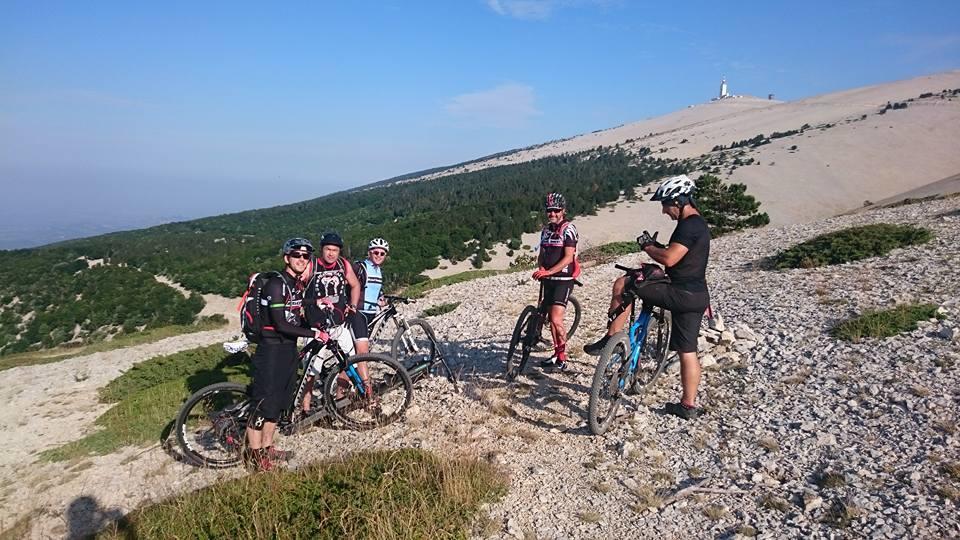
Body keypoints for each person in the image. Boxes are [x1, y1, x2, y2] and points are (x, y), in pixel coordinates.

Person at [583, 174, 711, 420]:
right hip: (697, 296)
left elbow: (670, 258)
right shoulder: (699, 224)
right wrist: (657, 246)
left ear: (678, 200)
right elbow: (682, 256)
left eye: (665, 204)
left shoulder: (688, 225)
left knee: (623, 283)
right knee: (688, 351)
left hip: (676, 292)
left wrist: (647, 246)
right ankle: (687, 406)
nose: (664, 211)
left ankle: (610, 340)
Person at [246, 238, 325, 471]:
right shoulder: (275, 284)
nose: (302, 259)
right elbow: (281, 323)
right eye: (296, 255)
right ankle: (255, 454)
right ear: (286, 258)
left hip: (288, 349)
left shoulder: (293, 285)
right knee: (263, 404)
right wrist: (313, 333)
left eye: (305, 256)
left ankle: (268, 447)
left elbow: (295, 303)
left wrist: (315, 301)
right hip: (271, 350)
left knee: (279, 403)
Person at [301, 231, 364, 412]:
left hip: (338, 325)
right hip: (316, 327)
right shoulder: (311, 266)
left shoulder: (343, 265)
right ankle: (305, 408)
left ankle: (340, 398)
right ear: (322, 250)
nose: (331, 253)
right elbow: (298, 289)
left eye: (335, 250)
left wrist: (352, 305)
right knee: (311, 371)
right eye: (328, 249)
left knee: (348, 361)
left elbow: (355, 284)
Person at [532, 192, 578, 372]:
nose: (552, 213)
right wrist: (541, 268)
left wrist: (550, 271)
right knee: (551, 320)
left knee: (557, 320)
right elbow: (542, 254)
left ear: (563, 211)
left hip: (563, 280)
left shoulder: (569, 229)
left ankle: (562, 357)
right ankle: (556, 355)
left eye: (556, 210)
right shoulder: (545, 231)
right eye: (549, 210)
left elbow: (568, 257)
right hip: (548, 279)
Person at [352, 238, 390, 348]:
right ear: (369, 252)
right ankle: (357, 364)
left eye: (382, 253)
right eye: (376, 252)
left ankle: (351, 364)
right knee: (362, 347)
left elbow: (376, 290)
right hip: (359, 312)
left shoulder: (378, 270)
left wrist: (381, 299)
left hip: (372, 313)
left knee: (359, 346)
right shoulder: (360, 267)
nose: (379, 255)